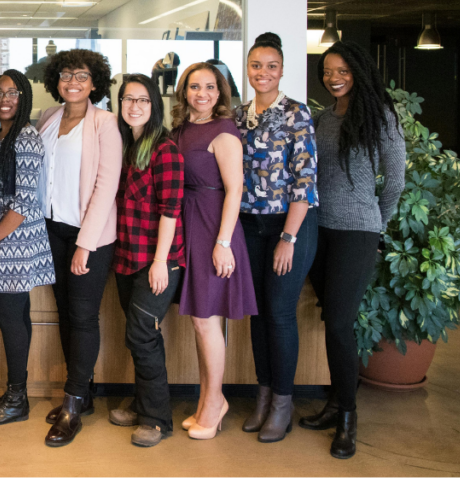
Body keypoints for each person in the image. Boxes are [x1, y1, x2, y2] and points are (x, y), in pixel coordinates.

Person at [303, 40, 405, 459]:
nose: (334, 78)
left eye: (342, 70)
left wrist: (374, 224)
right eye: (328, 71)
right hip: (317, 230)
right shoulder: (324, 118)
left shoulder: (380, 116)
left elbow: (395, 181)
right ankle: (334, 402)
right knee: (332, 319)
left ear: (358, 71)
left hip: (357, 233)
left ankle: (348, 414)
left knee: (342, 323)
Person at [234, 33, 319, 443]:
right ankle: (263, 396)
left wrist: (289, 236)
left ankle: (283, 404)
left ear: (282, 70)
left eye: (271, 66)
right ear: (247, 69)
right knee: (258, 313)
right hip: (250, 225)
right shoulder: (239, 116)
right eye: (255, 65)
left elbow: (305, 180)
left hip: (291, 224)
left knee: (280, 313)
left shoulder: (296, 113)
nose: (262, 72)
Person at [38, 49, 122, 447]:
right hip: (52, 229)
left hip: (89, 235)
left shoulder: (105, 123)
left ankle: (72, 406)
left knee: (84, 316)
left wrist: (85, 245)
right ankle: (82, 393)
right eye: (66, 74)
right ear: (56, 79)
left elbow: (107, 186)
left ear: (94, 83)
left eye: (82, 75)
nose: (73, 81)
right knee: (65, 315)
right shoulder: (48, 119)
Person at [172, 62, 256, 441]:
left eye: (209, 87)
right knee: (197, 320)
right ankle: (209, 400)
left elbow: (234, 190)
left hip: (211, 227)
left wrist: (223, 243)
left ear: (220, 93)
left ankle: (213, 404)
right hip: (187, 224)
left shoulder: (224, 132)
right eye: (194, 87)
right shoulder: (181, 129)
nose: (201, 94)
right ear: (184, 91)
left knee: (207, 320)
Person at [0, 69, 55, 427]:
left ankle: (17, 397)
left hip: (15, 242)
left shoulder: (26, 138)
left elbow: (23, 203)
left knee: (10, 317)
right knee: (14, 316)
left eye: (13, 92)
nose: (5, 99)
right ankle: (15, 394)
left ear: (24, 98)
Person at [108, 73, 185, 448]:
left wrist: (160, 261)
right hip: (126, 255)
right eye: (127, 99)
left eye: (142, 100)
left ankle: (157, 419)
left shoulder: (164, 149)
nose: (134, 106)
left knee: (141, 334)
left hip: (158, 260)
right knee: (141, 336)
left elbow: (170, 210)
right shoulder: (125, 145)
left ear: (154, 106)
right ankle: (143, 403)